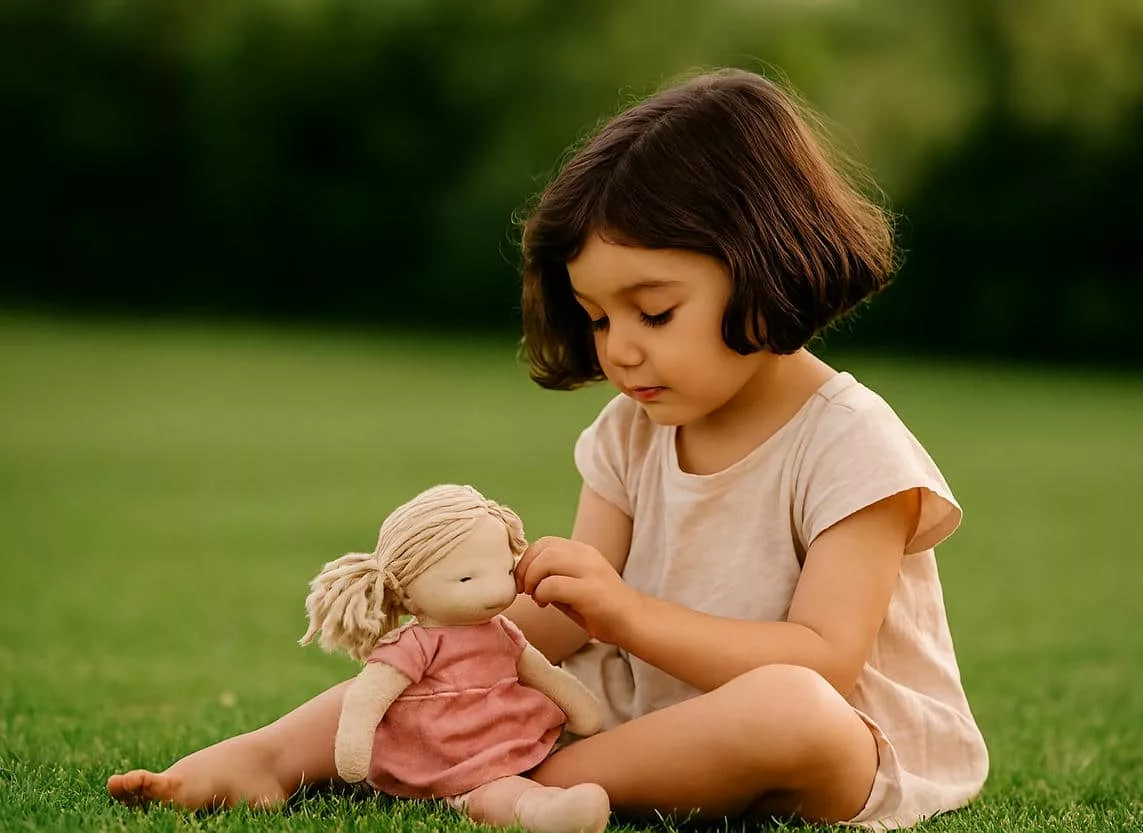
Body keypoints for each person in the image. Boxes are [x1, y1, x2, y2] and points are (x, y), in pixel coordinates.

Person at [108, 67, 989, 829]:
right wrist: (450, 639)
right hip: (650, 722)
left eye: (655, 310)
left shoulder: (852, 442)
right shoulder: (630, 429)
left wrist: (627, 614)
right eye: (599, 317)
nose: (621, 349)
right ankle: (271, 756)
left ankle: (510, 785)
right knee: (466, 647)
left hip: (837, 748)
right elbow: (561, 621)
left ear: (766, 264)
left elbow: (824, 658)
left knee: (792, 708)